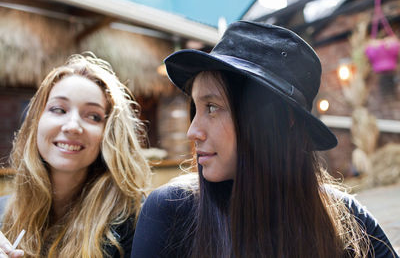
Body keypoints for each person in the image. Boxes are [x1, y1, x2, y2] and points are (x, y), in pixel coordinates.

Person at [131, 21, 399, 258]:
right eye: (196, 109)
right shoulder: (172, 212)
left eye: (212, 107)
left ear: (280, 119)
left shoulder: (344, 217)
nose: (192, 131)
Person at [0, 52, 152, 258]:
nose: (72, 126)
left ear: (109, 134)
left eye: (93, 116)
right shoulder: (3, 212)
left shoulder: (136, 222)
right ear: (35, 122)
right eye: (58, 109)